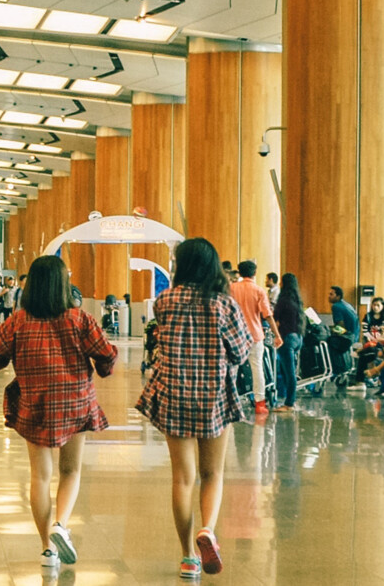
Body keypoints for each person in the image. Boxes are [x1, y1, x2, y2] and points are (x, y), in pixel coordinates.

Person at [0, 255, 117, 572]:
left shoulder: (19, 320)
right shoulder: (78, 318)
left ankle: (46, 549)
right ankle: (61, 523)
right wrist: (103, 367)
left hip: (35, 404)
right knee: (70, 471)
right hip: (75, 402)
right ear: (63, 284)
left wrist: (5, 361)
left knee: (39, 476)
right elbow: (106, 355)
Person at [134, 237, 251, 580]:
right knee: (212, 473)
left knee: (182, 478)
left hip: (174, 395)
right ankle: (208, 531)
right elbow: (242, 352)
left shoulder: (164, 300)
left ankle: (188, 556)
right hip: (213, 395)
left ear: (181, 265)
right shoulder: (223, 304)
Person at [228, 260, 277, 417]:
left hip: (235, 335)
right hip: (255, 335)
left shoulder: (230, 289)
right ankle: (260, 403)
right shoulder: (259, 291)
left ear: (240, 273)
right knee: (257, 368)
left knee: (232, 369)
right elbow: (267, 315)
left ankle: (230, 402)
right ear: (254, 273)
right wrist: (277, 334)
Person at [271, 275, 306, 413]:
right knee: (288, 371)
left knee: (289, 372)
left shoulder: (283, 300)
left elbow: (275, 318)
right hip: (298, 338)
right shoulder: (298, 300)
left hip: (287, 338)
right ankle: (289, 400)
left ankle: (289, 403)